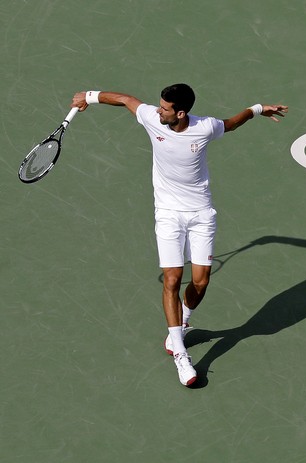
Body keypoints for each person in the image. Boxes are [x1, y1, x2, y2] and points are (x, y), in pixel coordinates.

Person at [71, 85, 288, 386]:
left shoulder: (205, 127)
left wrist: (258, 108)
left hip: (201, 216)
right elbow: (124, 100)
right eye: (159, 107)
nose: (158, 111)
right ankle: (180, 355)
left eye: (165, 109)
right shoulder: (150, 118)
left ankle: (182, 321)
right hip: (168, 215)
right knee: (172, 279)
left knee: (201, 281)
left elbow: (232, 123)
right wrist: (89, 97)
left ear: (181, 113)